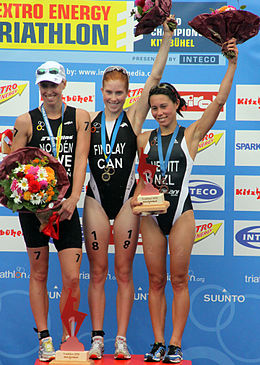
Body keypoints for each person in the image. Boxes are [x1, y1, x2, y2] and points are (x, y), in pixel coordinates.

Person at [131, 39, 238, 363]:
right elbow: (140, 178)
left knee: (178, 279)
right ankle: (158, 342)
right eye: (154, 108)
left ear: (176, 104)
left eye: (164, 105)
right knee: (154, 279)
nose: (159, 112)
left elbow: (219, 102)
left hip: (181, 214)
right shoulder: (143, 138)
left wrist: (231, 64)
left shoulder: (190, 135)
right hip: (150, 216)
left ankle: (176, 344)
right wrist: (138, 197)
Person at [82, 17, 175, 360]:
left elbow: (154, 78)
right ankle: (96, 338)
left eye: (120, 93)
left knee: (123, 272)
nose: (114, 98)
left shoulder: (133, 117)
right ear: (101, 91)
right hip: (93, 199)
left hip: (125, 202)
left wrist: (166, 39)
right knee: (97, 272)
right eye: (109, 92)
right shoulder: (87, 122)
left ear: (127, 92)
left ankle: (120, 339)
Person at [11, 61, 91, 362]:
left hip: (67, 210)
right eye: (44, 86)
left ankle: (69, 338)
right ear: (39, 88)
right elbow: (13, 170)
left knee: (71, 278)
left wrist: (72, 200)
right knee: (39, 273)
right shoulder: (26, 121)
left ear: (64, 85)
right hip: (34, 213)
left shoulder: (80, 117)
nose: (49, 91)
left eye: (53, 85)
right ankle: (45, 338)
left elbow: (81, 159)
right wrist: (35, 208)